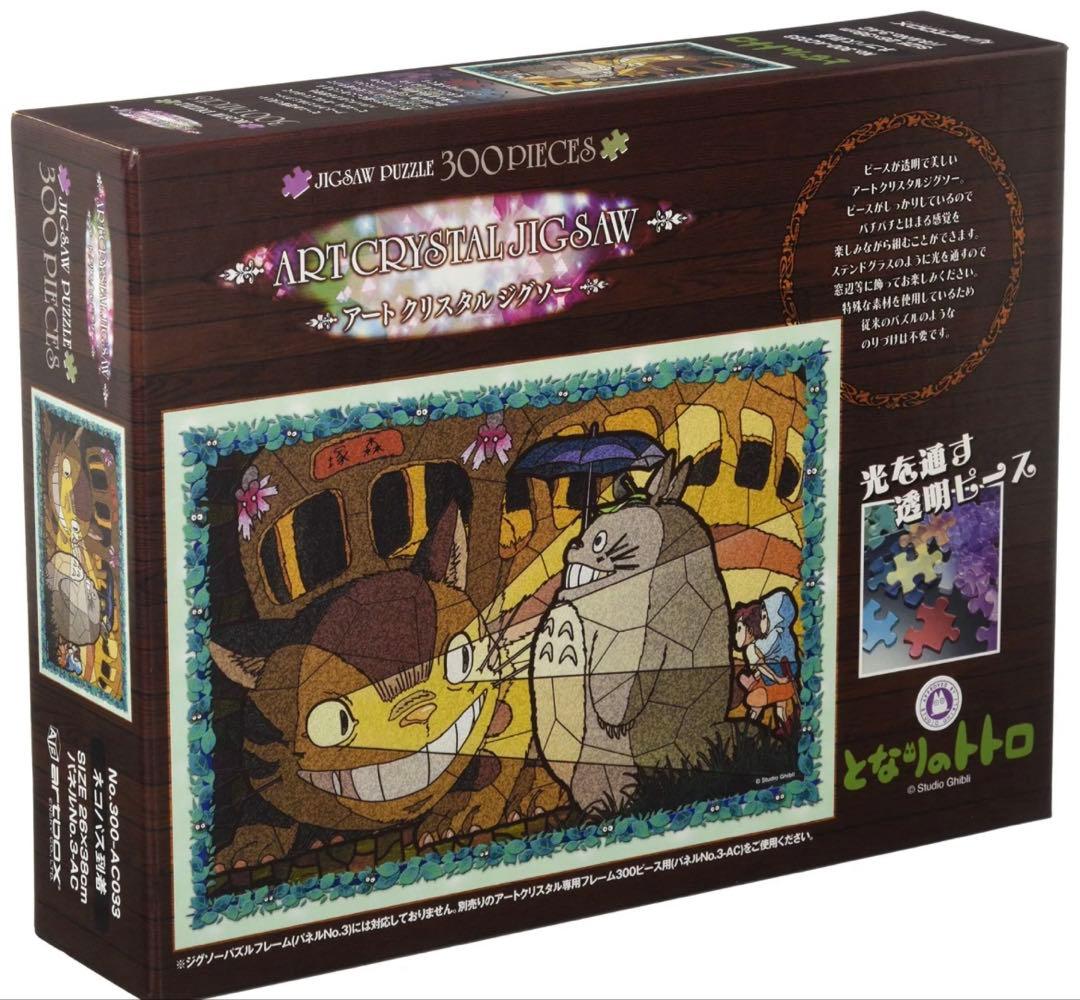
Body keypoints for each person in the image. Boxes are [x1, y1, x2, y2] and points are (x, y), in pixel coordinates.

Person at [733, 590, 800, 735]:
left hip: (779, 677)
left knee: (763, 705)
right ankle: (784, 729)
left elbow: (763, 664)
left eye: (765, 617)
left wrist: (776, 678)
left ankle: (751, 729)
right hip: (782, 677)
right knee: (779, 708)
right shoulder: (778, 636)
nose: (736, 635)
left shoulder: (768, 640)